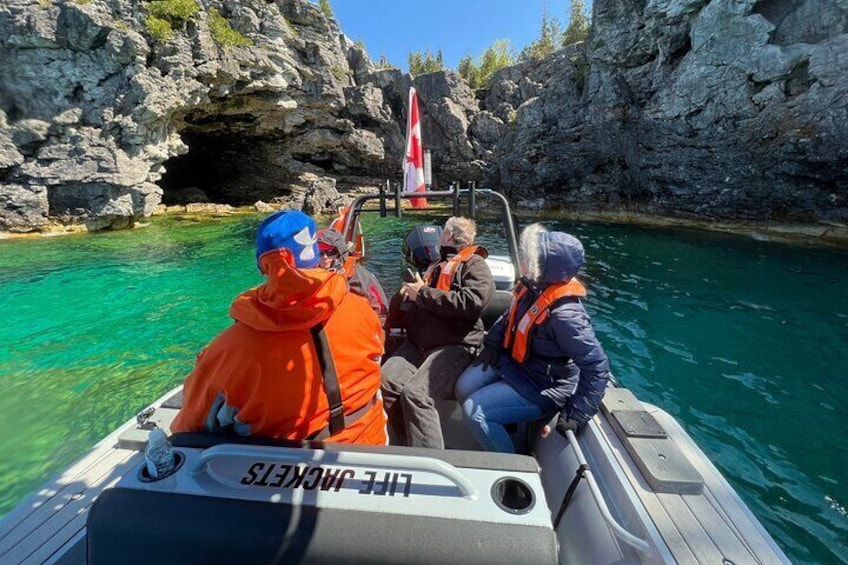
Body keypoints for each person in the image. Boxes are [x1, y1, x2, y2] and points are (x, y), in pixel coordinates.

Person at [171, 210, 387, 445]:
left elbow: (188, 430)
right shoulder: (362, 310)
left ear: (263, 264)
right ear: (315, 253)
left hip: (283, 465)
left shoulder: (227, 350)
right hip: (370, 444)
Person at [455, 223, 610, 454]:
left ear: (549, 267)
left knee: (474, 411)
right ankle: (504, 428)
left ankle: (514, 463)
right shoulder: (532, 287)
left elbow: (597, 366)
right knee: (463, 386)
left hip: (543, 386)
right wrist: (492, 344)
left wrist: (578, 413)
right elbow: (509, 318)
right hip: (516, 365)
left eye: (532, 257)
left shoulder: (566, 317)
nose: (525, 260)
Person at [381, 217, 495, 448]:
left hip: (453, 346)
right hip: (417, 345)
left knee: (417, 395)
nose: (440, 237)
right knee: (386, 382)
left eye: (443, 233)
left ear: (449, 237)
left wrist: (422, 293)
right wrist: (409, 293)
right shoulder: (436, 265)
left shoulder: (473, 265)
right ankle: (407, 446)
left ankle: (431, 460)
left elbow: (473, 302)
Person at [317, 228, 388, 320]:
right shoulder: (310, 273)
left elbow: (381, 310)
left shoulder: (359, 276)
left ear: (339, 252)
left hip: (358, 322)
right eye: (320, 253)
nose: (325, 257)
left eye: (330, 252)